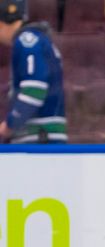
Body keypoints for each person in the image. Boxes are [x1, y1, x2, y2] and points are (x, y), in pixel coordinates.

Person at [0, 0, 66, 143]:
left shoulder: (26, 41)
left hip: (39, 138)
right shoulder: (40, 40)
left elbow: (34, 90)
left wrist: (10, 124)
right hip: (43, 136)